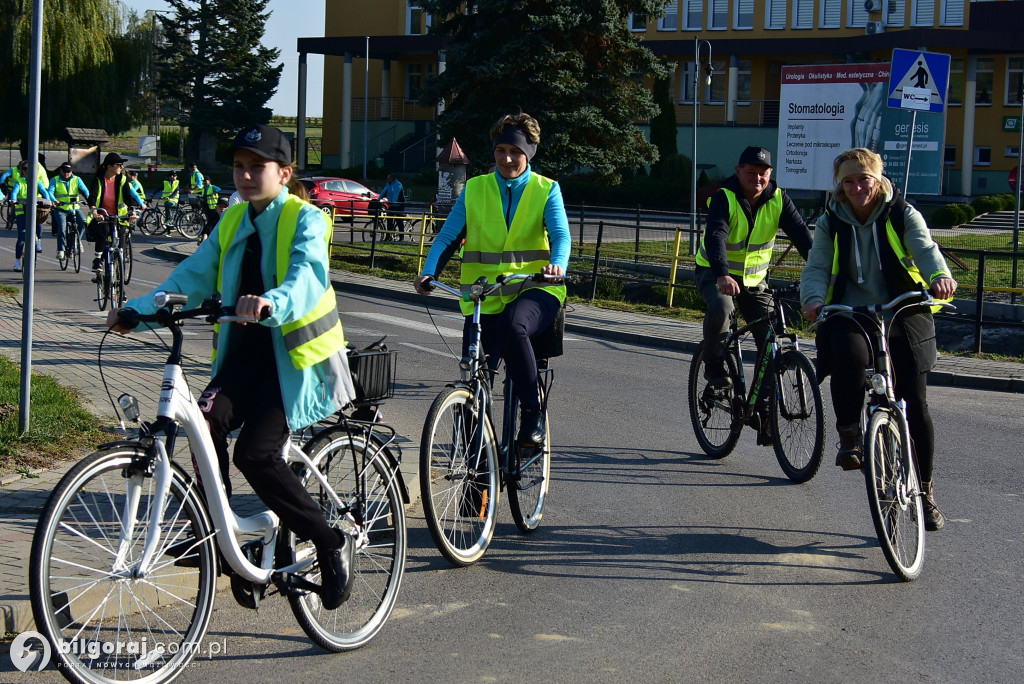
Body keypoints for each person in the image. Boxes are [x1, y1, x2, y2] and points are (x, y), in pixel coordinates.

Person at [105, 124, 357, 609]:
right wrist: (137, 310)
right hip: (244, 359)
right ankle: (225, 539)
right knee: (204, 423)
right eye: (239, 166)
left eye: (255, 166)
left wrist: (271, 302)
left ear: (283, 174)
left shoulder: (307, 220)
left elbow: (308, 278)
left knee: (256, 456)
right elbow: (191, 277)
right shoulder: (232, 220)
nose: (244, 175)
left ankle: (329, 542)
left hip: (296, 364)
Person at [800, 148, 957, 531]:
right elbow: (818, 264)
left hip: (903, 309)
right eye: (848, 181)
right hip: (851, 310)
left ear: (877, 179)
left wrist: (939, 276)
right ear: (840, 185)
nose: (857, 187)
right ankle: (850, 437)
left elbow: (924, 247)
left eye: (864, 179)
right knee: (847, 355)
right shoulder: (830, 220)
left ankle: (926, 490)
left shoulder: (901, 211)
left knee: (915, 402)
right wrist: (813, 298)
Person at [414, 110, 569, 445]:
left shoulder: (546, 190)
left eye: (515, 152)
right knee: (476, 375)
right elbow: (447, 237)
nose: (507, 158)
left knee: (515, 326)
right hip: (483, 297)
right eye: (501, 151)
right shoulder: (475, 189)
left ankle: (533, 413)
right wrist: (429, 272)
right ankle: (476, 470)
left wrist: (557, 265)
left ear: (528, 153)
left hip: (536, 289)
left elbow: (561, 236)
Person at [694, 146, 812, 446]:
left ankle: (764, 412)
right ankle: (715, 366)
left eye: (763, 173)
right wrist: (722, 274)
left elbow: (802, 236)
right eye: (751, 172)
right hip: (715, 273)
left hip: (755, 281)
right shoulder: (725, 197)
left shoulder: (779, 199)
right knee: (721, 307)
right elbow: (716, 235)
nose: (757, 178)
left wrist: (823, 272)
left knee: (769, 339)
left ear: (770, 174)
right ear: (738, 171)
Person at [85, 152, 145, 275]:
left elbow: (128, 197)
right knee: (104, 230)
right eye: (119, 164)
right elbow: (92, 197)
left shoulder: (122, 179)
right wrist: (95, 212)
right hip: (103, 216)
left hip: (119, 217)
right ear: (109, 166)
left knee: (120, 251)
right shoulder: (99, 179)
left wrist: (132, 211)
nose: (121, 167)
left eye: (122, 165)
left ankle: (120, 287)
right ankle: (97, 259)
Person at [9, 159, 55, 271]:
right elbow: (14, 193)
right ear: (22, 170)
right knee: (21, 237)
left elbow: (44, 192)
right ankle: (17, 261)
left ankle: (38, 241)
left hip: (35, 211)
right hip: (22, 212)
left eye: (29, 168)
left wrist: (49, 203)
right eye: (25, 168)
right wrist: (13, 200)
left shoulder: (37, 181)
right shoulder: (19, 182)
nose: (27, 170)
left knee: (39, 226)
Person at [48, 162, 90, 262]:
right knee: (62, 227)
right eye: (64, 171)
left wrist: (89, 200)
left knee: (83, 222)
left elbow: (85, 191)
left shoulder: (76, 179)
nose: (67, 173)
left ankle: (77, 241)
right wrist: (55, 201)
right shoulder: (55, 180)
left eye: (69, 171)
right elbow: (50, 192)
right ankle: (61, 250)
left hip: (74, 208)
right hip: (61, 209)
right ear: (61, 171)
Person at [377, 173, 405, 241]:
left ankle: (401, 237)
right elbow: (384, 191)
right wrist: (378, 200)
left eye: (388, 178)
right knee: (389, 220)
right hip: (391, 205)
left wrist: (393, 202)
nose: (387, 180)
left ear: (393, 179)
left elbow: (396, 194)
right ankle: (388, 236)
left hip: (399, 205)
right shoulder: (388, 184)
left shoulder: (398, 184)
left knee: (399, 221)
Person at [197, 177, 223, 242]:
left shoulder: (212, 187)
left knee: (212, 221)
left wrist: (213, 193)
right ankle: (208, 234)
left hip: (213, 207)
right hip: (206, 206)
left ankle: (210, 234)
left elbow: (219, 189)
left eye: (206, 180)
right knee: (209, 220)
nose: (204, 182)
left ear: (209, 181)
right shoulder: (203, 188)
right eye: (204, 181)